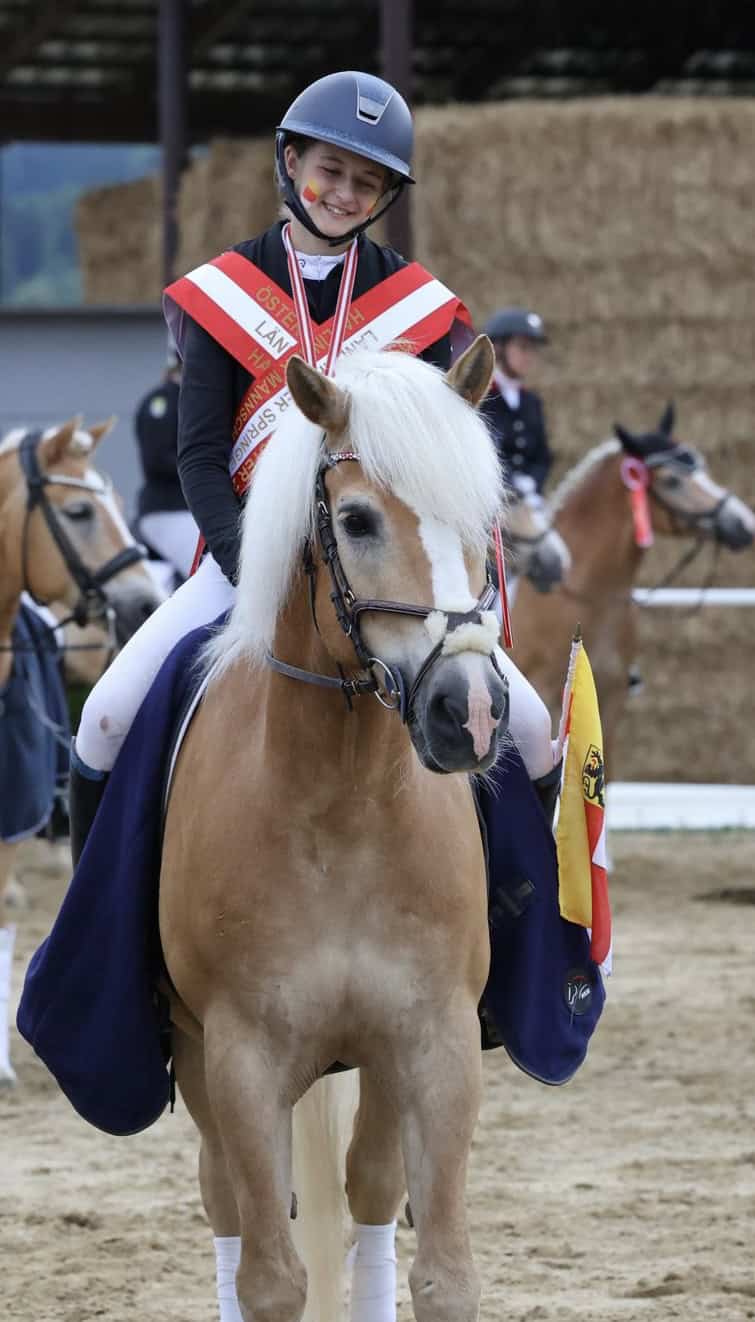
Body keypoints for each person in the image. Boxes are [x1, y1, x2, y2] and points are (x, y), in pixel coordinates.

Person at [68, 81, 561, 1308]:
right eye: (327, 170)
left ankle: (516, 957)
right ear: (291, 166)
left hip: (399, 581)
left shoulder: (422, 306)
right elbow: (193, 453)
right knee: (106, 715)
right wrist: (256, 568)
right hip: (249, 568)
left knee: (540, 737)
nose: (344, 192)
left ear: (384, 195)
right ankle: (124, 962)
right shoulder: (220, 295)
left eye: (366, 181)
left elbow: (452, 463)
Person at [133, 351, 199, 587]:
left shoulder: (198, 399)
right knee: (209, 572)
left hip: (192, 510)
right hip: (169, 509)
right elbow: (156, 458)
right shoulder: (162, 400)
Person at [480, 305, 553, 494]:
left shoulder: (532, 402)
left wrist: (533, 483)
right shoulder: (482, 398)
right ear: (498, 348)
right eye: (522, 347)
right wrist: (512, 484)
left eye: (533, 349)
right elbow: (483, 455)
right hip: (491, 499)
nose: (529, 356)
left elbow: (542, 457)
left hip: (528, 501)